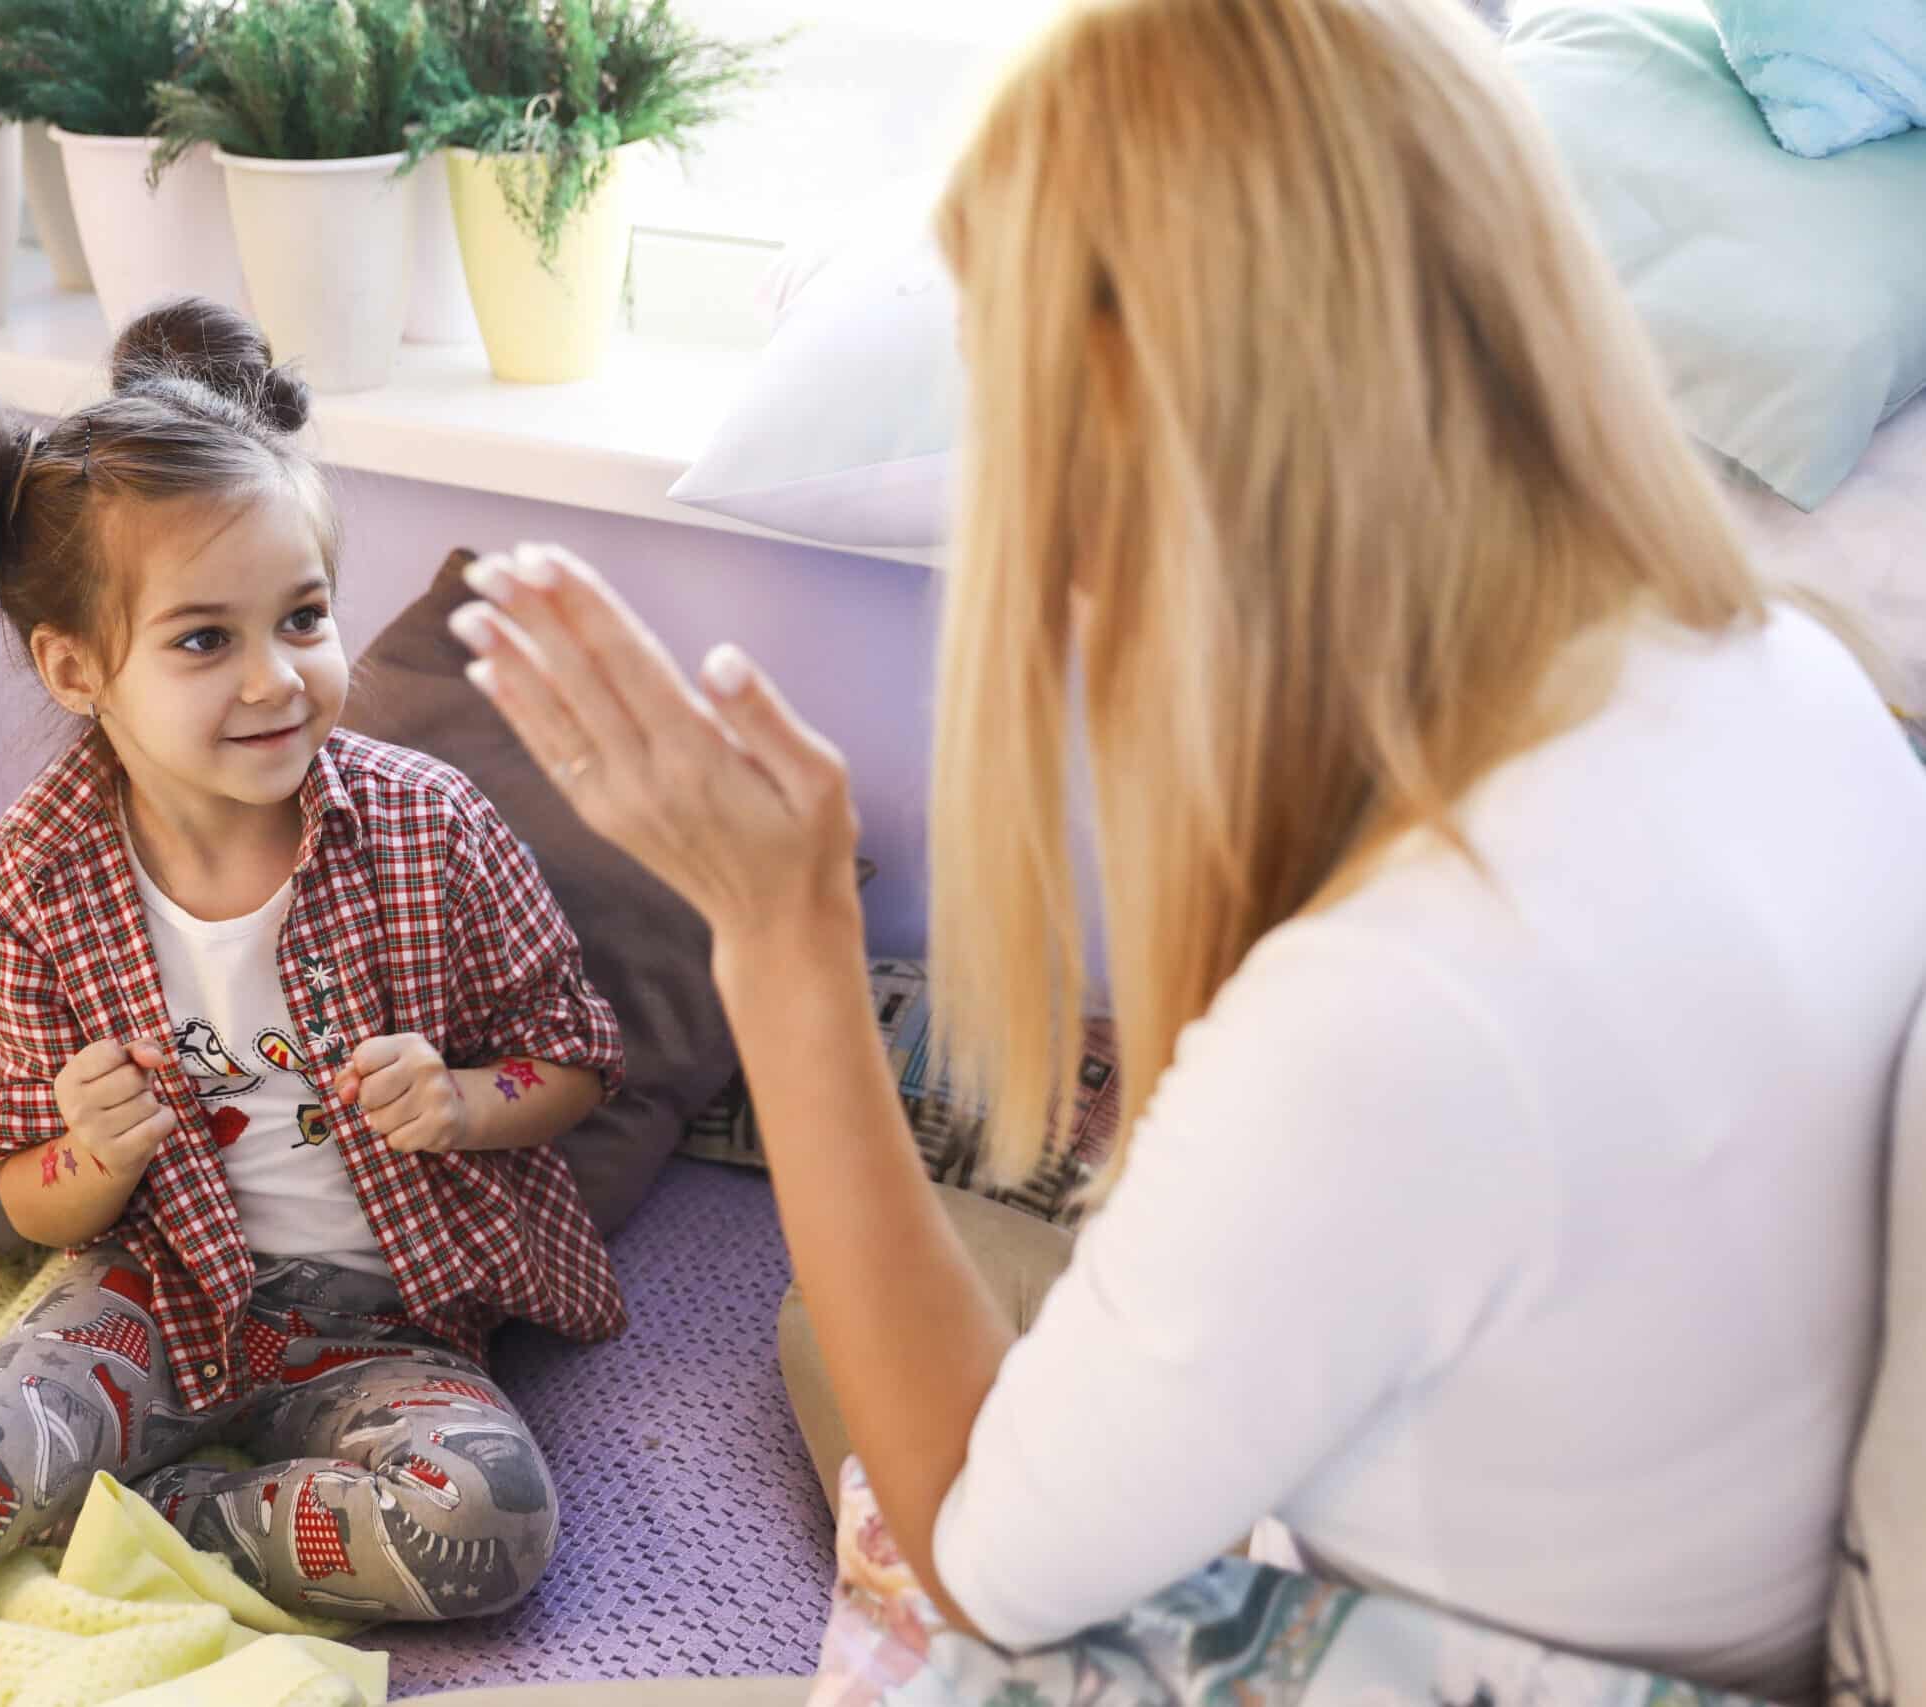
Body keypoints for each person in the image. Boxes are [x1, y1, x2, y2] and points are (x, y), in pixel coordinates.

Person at [443, 0, 1926, 1697]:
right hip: (1652, 1507)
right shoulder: (1793, 680)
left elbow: (982, 1565)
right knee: (847, 1305)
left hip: (1461, 1644)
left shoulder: (1399, 1007)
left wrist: (783, 946)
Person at [0, 299, 624, 1633]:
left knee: (488, 1525)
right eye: (205, 640)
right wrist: (93, 1152)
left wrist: (466, 1101)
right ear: (77, 668)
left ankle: (168, 1514)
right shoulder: (39, 873)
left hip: (392, 1326)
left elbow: (581, 1056)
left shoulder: (428, 825)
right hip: (152, 1296)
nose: (277, 679)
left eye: (303, 618)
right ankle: (88, 1473)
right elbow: (33, 1202)